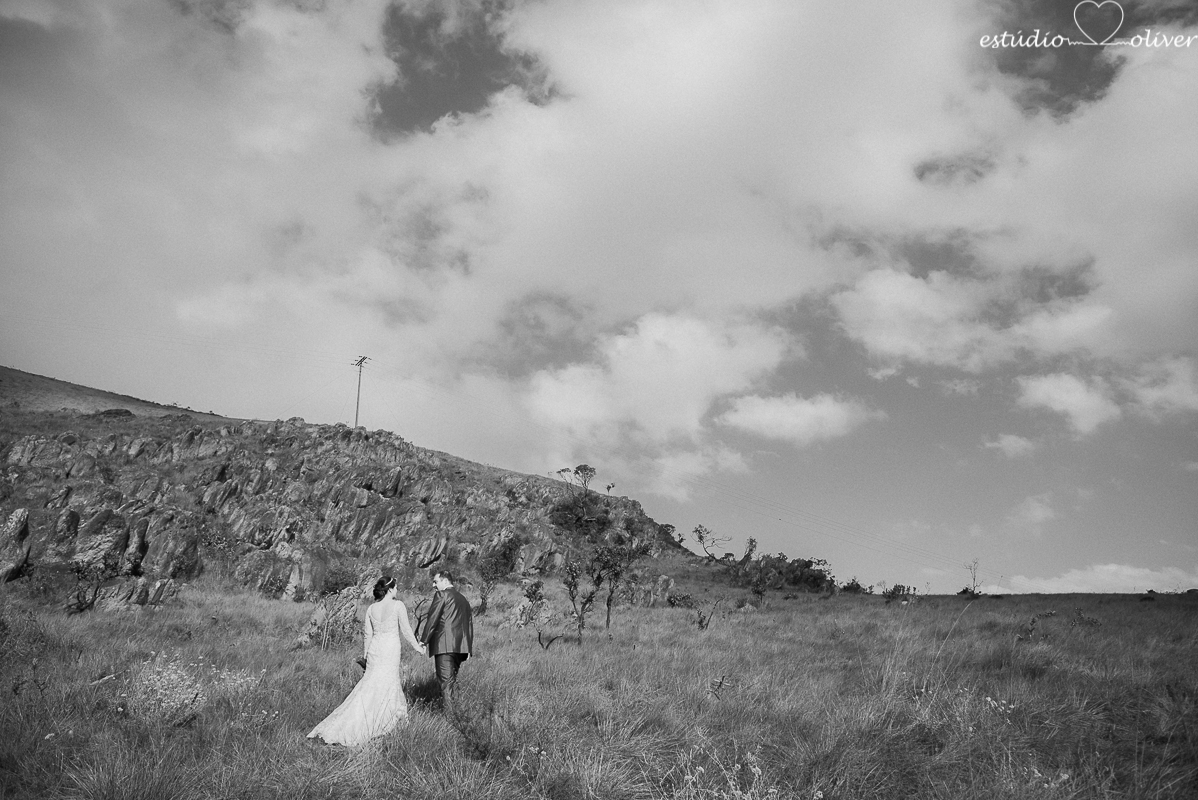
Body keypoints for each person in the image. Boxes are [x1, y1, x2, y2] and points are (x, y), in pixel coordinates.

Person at [307, 576, 425, 746]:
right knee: (388, 682)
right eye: (396, 587)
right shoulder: (398, 605)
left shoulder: (371, 608)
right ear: (390, 589)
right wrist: (418, 648)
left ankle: (361, 719)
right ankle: (382, 722)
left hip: (375, 649)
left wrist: (366, 656)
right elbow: (406, 630)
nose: (397, 590)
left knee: (370, 683)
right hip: (390, 648)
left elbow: (367, 635)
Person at [419, 570, 474, 702]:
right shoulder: (463, 599)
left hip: (444, 645)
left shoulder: (441, 595)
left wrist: (423, 641)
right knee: (450, 683)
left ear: (445, 581)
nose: (433, 585)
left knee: (446, 685)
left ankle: (449, 720)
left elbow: (433, 619)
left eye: (435, 581)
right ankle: (455, 714)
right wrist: (468, 648)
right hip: (460, 648)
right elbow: (469, 625)